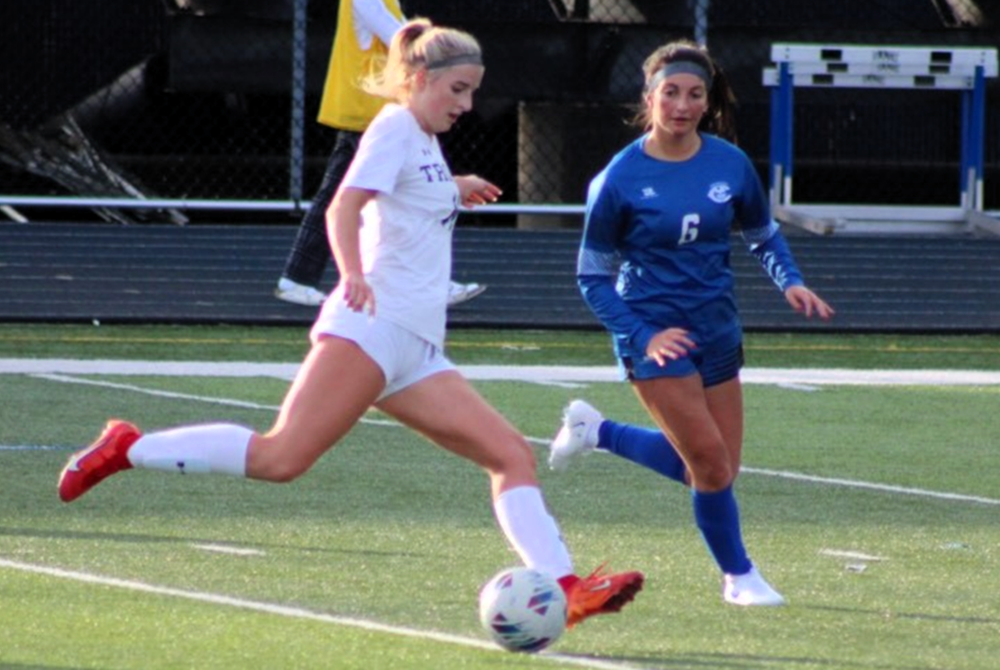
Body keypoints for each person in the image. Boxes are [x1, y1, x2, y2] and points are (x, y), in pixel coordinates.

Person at [58, 18, 643, 630]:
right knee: (281, 458)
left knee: (509, 456)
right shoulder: (393, 126)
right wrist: (352, 272)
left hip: (415, 347)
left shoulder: (422, 135)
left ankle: (567, 588)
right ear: (417, 79)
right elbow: (344, 205)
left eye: (473, 92)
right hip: (370, 326)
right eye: (458, 90)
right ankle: (129, 448)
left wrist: (453, 187)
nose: (468, 105)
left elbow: (408, 194)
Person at [548, 39, 834, 607]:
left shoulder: (729, 163)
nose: (682, 104)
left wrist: (790, 280)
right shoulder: (618, 179)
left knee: (714, 467)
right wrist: (643, 333)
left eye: (694, 94)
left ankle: (597, 432)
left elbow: (762, 233)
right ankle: (740, 577)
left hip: (718, 331)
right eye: (671, 92)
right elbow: (592, 277)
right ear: (649, 97)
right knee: (709, 464)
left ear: (707, 102)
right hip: (654, 338)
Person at [276, 0, 485, 308]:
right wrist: (447, 52)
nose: (466, 104)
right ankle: (299, 277)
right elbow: (403, 40)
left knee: (398, 195)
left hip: (383, 113)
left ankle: (301, 277)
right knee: (344, 197)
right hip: (367, 113)